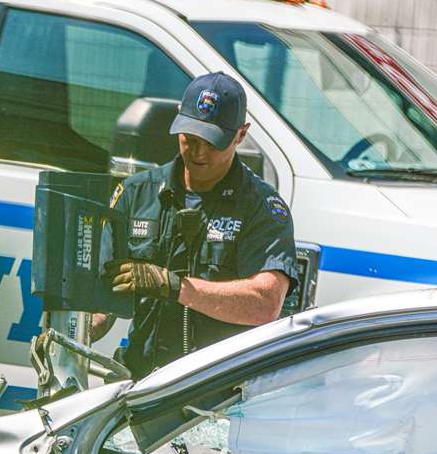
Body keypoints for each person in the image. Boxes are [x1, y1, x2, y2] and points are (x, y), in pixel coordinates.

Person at [91, 72, 299, 378]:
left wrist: (178, 288)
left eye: (213, 142)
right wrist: (71, 335)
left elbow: (265, 304)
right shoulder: (137, 193)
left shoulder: (261, 207)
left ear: (241, 134)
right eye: (190, 138)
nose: (199, 152)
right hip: (143, 377)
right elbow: (101, 300)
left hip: (217, 390)